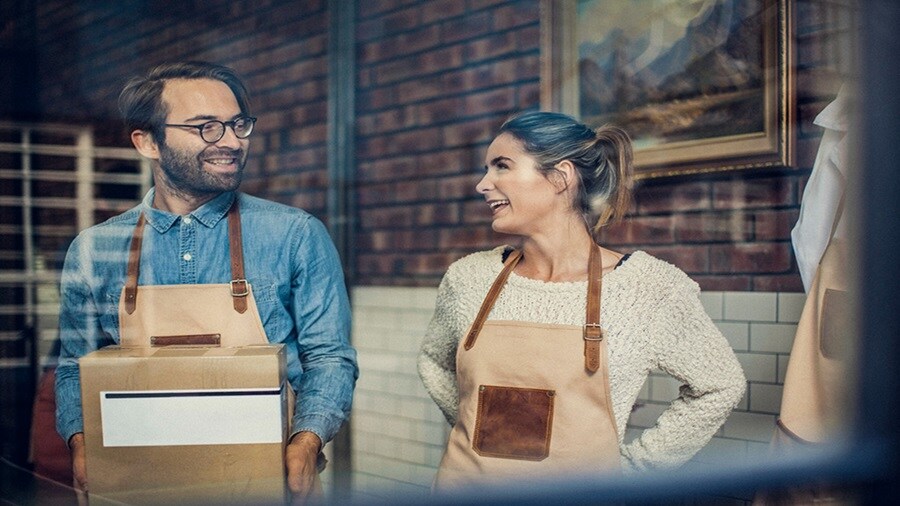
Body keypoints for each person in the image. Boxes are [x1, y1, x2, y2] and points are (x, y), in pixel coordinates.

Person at [55, 61, 358, 500]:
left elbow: (330, 357)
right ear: (147, 142)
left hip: (263, 482)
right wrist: (80, 441)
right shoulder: (93, 249)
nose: (232, 142)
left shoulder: (294, 234)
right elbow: (72, 368)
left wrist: (307, 441)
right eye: (207, 127)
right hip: (134, 483)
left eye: (238, 125)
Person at [417, 111, 746, 490]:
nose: (482, 184)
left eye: (501, 166)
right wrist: (471, 422)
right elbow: (433, 360)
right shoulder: (468, 278)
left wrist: (633, 470)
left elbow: (720, 384)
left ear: (561, 177)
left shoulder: (649, 288)